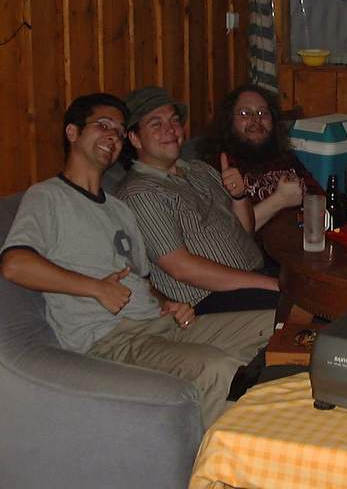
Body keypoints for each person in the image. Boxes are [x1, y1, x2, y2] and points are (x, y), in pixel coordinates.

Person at [0, 93, 274, 428]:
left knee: (280, 325)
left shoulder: (118, 208)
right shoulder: (47, 196)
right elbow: (14, 264)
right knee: (220, 369)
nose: (112, 136)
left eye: (117, 130)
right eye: (103, 126)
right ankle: (226, 458)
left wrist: (167, 303)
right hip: (111, 339)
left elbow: (142, 279)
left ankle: (289, 428)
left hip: (163, 325)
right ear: (72, 132)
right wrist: (95, 288)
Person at [116, 86, 281, 316]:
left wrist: (239, 196)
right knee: (302, 305)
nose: (170, 129)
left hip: (255, 276)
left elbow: (245, 232)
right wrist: (270, 284)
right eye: (156, 124)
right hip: (208, 299)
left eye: (174, 120)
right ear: (135, 138)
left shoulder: (199, 169)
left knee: (318, 289)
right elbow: (180, 268)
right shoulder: (139, 192)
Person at [205, 84, 322, 231]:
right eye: (245, 113)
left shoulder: (285, 157)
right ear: (229, 121)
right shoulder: (219, 166)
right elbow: (226, 233)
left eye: (263, 113)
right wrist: (280, 200)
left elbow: (320, 200)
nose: (256, 120)